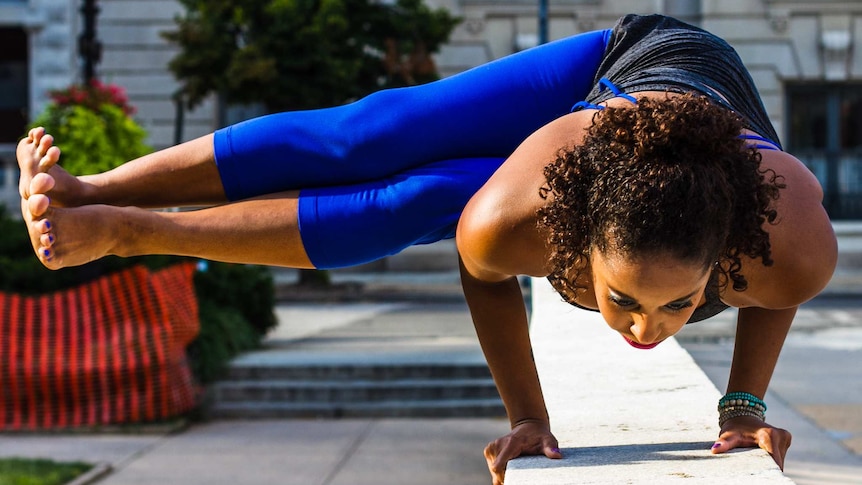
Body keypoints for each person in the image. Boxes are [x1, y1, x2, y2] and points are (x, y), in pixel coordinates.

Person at [18, 14, 836, 485]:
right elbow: (480, 265)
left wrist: (742, 408)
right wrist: (527, 413)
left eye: (676, 304)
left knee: (425, 194)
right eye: (622, 297)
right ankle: (96, 190)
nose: (645, 330)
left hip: (704, 133)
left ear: (720, 264)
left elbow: (779, 288)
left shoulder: (787, 241)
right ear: (578, 240)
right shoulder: (522, 213)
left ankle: (126, 231)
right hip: (621, 63)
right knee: (375, 142)